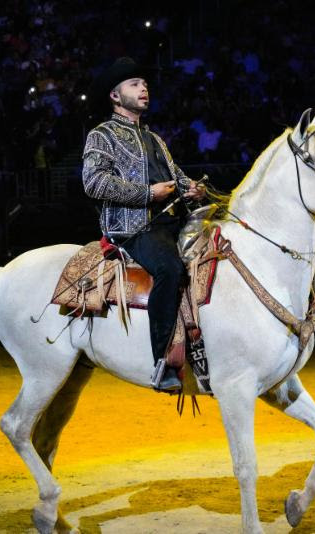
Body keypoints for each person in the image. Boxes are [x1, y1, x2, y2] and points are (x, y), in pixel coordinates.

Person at [82, 57, 205, 391]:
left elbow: (176, 177)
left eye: (145, 83)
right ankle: (162, 361)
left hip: (171, 225)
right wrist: (147, 193)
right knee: (169, 268)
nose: (144, 88)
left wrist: (191, 187)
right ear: (115, 96)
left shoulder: (155, 139)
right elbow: (93, 182)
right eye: (135, 83)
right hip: (132, 230)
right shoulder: (102, 135)